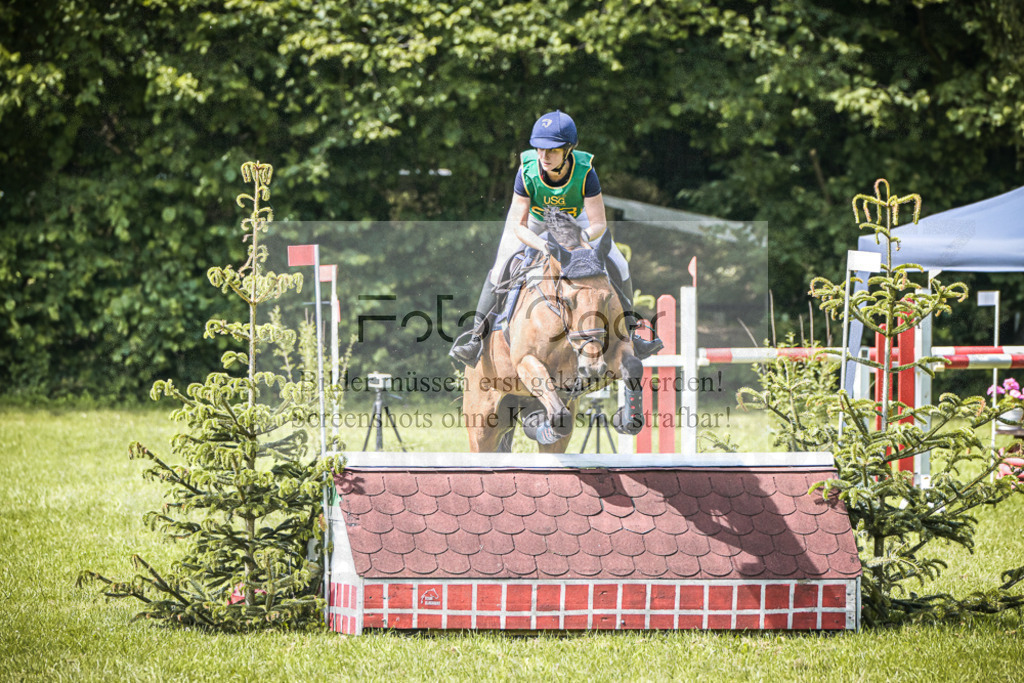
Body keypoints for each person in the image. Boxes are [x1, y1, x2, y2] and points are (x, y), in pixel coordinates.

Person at [450, 110, 664, 367]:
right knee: (500, 268)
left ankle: (632, 333)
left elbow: (599, 224)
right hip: (534, 220)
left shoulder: (585, 172)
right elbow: (518, 225)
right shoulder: (527, 171)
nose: (544, 156)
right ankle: (475, 339)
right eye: (540, 149)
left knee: (620, 263)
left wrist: (579, 238)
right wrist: (542, 245)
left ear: (568, 150)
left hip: (576, 220)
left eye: (551, 151)